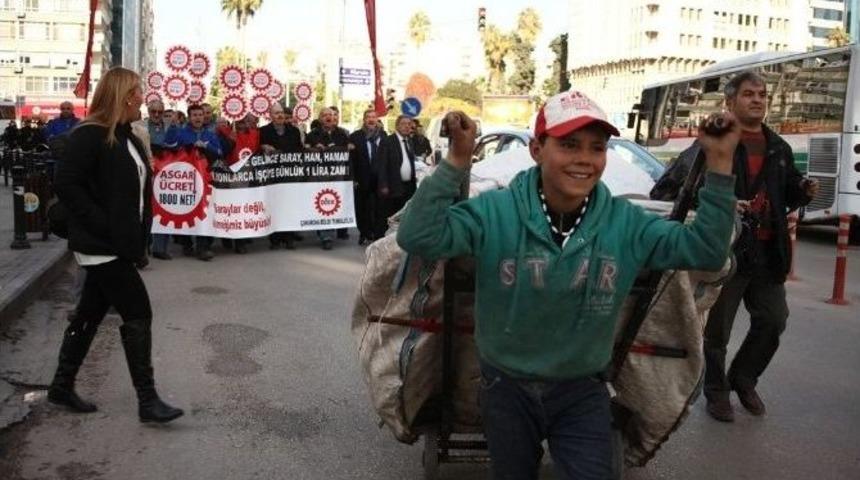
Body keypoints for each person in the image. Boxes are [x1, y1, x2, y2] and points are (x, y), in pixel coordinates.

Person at [396, 90, 740, 479]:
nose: (584, 159)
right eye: (569, 145)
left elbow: (707, 253)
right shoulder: (494, 212)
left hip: (582, 391)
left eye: (597, 148)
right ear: (537, 149)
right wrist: (458, 161)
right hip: (505, 388)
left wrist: (721, 161)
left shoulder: (626, 224)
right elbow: (418, 236)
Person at [650, 71, 819, 423]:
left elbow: (784, 194)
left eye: (762, 94)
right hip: (723, 252)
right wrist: (720, 202)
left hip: (767, 254)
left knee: (774, 320)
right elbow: (667, 191)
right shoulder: (710, 144)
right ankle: (716, 393)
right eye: (748, 94)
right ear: (730, 102)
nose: (757, 99)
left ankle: (743, 379)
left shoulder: (778, 148)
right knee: (717, 333)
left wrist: (803, 190)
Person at [49, 66, 184, 424]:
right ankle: (148, 400)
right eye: (138, 91)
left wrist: (136, 235)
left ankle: (61, 385)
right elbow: (66, 183)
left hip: (119, 243)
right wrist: (103, 224)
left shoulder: (128, 135)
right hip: (101, 244)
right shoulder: (90, 134)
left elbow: (136, 191)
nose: (144, 97)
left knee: (89, 314)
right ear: (123, 95)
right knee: (138, 312)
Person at [165, 104, 223, 261]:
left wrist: (206, 146)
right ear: (189, 117)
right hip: (187, 179)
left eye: (200, 114)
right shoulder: (182, 132)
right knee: (188, 211)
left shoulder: (210, 134)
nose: (198, 117)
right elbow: (169, 146)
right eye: (195, 115)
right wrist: (173, 129)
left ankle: (202, 246)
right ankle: (186, 244)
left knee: (203, 212)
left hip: (206, 178)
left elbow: (219, 152)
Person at [305, 107, 350, 250]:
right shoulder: (312, 135)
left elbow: (348, 150)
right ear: (320, 119)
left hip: (337, 172)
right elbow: (306, 151)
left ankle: (331, 230)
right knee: (323, 202)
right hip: (320, 173)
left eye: (331, 115)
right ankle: (325, 235)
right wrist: (314, 148)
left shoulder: (342, 134)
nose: (328, 118)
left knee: (334, 202)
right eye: (325, 115)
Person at [260, 103, 304, 249]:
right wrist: (264, 147)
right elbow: (258, 150)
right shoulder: (264, 131)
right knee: (273, 206)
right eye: (276, 113)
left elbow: (299, 151)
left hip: (290, 175)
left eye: (281, 113)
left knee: (289, 206)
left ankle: (289, 238)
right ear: (270, 115)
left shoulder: (294, 131)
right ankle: (275, 239)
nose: (280, 115)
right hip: (272, 175)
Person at [349, 109, 385, 244]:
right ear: (364, 120)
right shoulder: (355, 136)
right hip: (362, 178)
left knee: (379, 207)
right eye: (368, 117)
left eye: (373, 117)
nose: (371, 120)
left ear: (377, 120)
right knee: (362, 207)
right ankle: (363, 232)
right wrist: (353, 178)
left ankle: (377, 232)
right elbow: (351, 160)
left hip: (379, 178)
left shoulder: (383, 135)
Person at [376, 115, 418, 224]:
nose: (407, 127)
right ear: (397, 126)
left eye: (409, 124)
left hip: (409, 186)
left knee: (405, 215)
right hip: (393, 185)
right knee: (392, 215)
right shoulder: (387, 141)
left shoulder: (409, 141)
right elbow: (381, 165)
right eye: (403, 124)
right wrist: (383, 185)